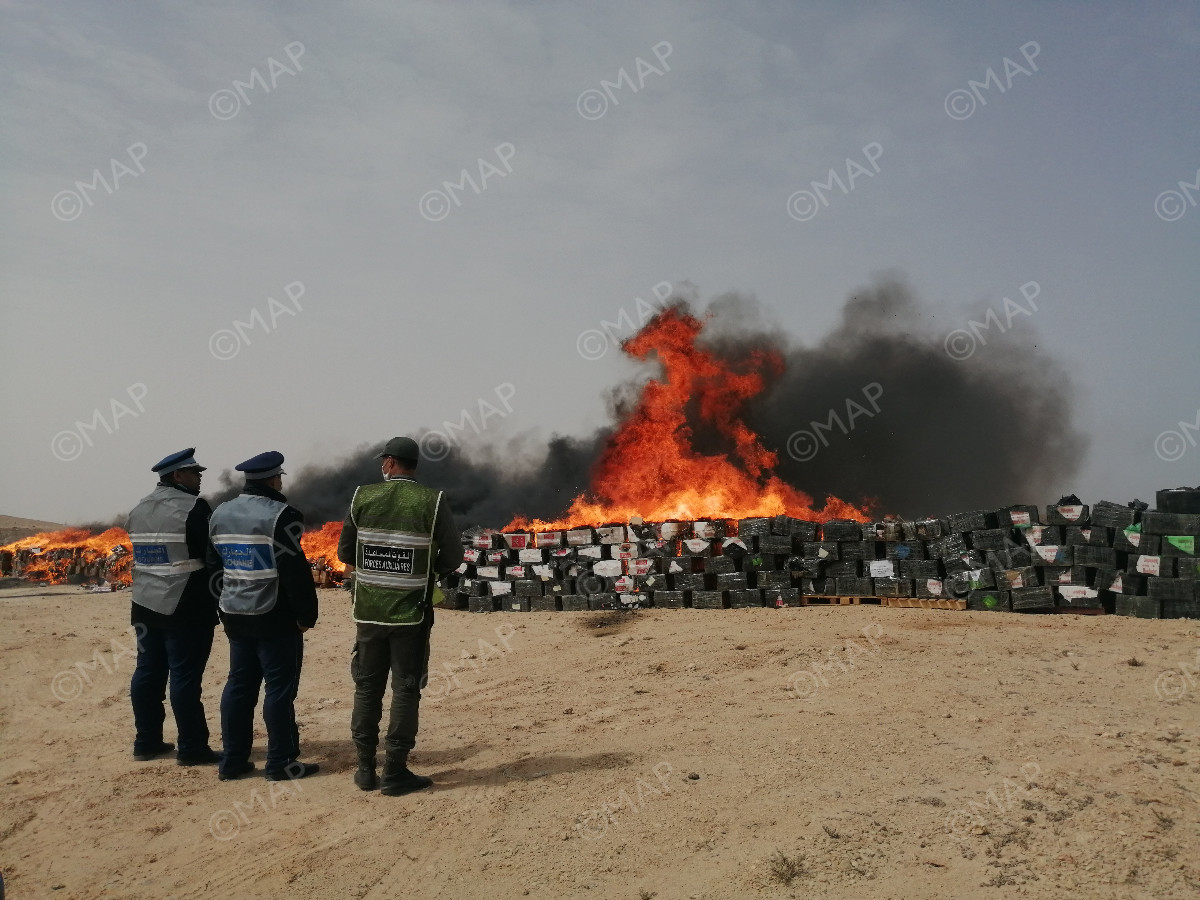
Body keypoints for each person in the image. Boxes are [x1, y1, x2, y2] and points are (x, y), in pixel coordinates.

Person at [337, 436, 463, 795]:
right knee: (405, 690)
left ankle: (364, 769)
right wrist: (426, 571)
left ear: (390, 463)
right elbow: (453, 557)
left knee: (366, 687)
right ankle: (394, 771)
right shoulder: (432, 501)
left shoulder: (363, 496)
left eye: (384, 461)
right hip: (410, 615)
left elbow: (346, 549)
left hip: (368, 614)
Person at [209, 451, 319, 782]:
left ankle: (232, 761)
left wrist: (222, 603)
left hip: (235, 615)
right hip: (275, 618)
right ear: (273, 479)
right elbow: (294, 571)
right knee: (279, 689)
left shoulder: (219, 513)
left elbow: (213, 567)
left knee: (239, 685)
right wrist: (306, 615)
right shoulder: (283, 516)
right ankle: (280, 763)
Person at [126, 448, 220, 764]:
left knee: (147, 672)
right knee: (184, 677)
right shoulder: (194, 508)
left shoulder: (139, 508)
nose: (199, 477)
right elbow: (212, 554)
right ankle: (192, 748)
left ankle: (147, 741)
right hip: (185, 605)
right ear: (178, 475)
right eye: (195, 472)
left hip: (144, 604)